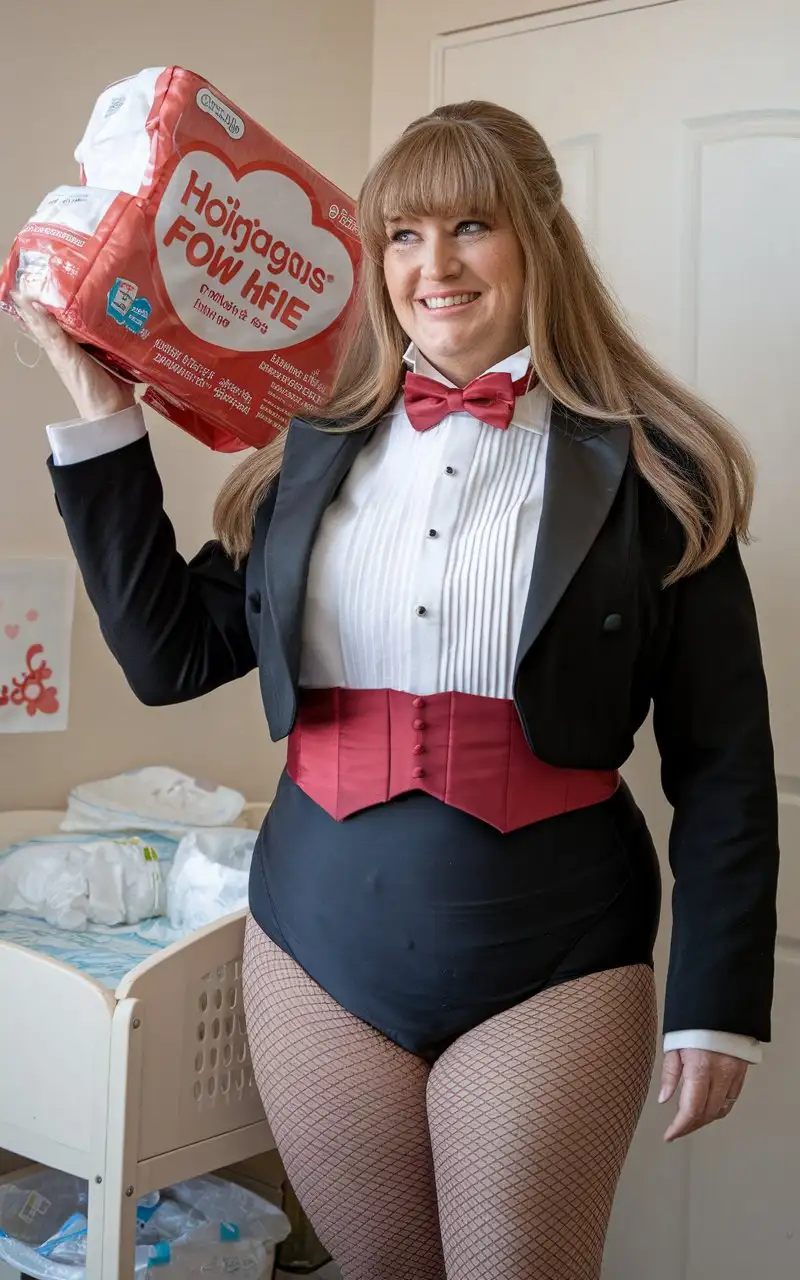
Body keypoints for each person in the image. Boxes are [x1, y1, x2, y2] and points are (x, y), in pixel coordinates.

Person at [16, 99, 778, 1280]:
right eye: (401, 235)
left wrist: (715, 1000)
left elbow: (724, 760)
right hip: (316, 949)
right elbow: (169, 659)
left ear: (538, 239)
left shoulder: (655, 475)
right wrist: (101, 415)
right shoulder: (307, 453)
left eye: (470, 225)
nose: (434, 266)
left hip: (556, 954)